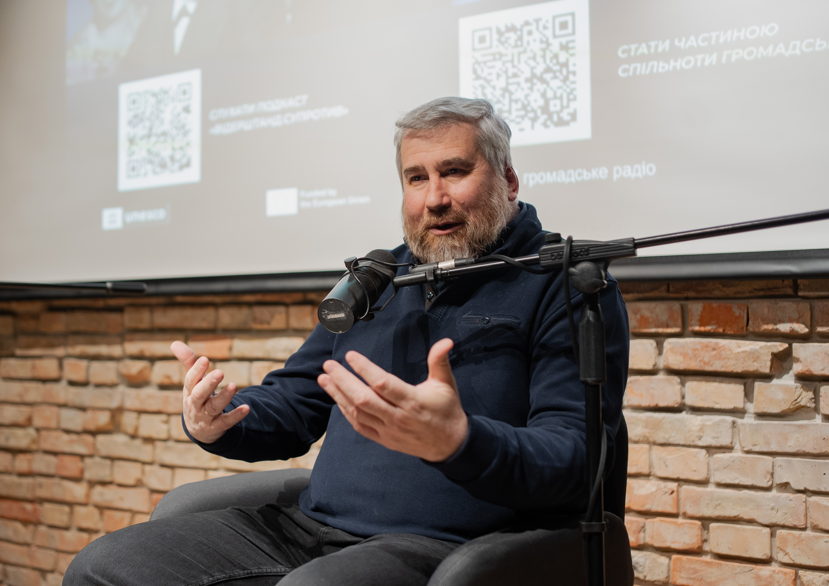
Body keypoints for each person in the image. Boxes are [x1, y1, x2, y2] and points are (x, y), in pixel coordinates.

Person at [65, 97, 629, 585]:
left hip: (447, 544)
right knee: (104, 567)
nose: (434, 198)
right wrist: (222, 416)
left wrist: (460, 441)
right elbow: (295, 400)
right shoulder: (377, 281)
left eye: (455, 171)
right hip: (308, 529)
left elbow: (573, 458)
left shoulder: (564, 285)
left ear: (508, 179)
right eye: (416, 178)